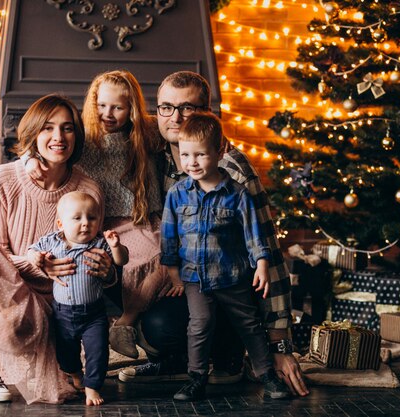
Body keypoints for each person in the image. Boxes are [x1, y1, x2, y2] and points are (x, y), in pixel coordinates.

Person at [119, 71, 309, 397]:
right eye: (166, 107)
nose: (175, 118)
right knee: (156, 324)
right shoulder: (158, 152)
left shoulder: (232, 170)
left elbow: (267, 249)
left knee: (197, 322)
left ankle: (230, 356)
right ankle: (186, 364)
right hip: (191, 278)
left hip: (231, 281)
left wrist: (281, 343)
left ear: (207, 114)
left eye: (187, 109)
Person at [0, 94, 113, 404]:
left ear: (76, 136)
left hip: (62, 302)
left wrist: (108, 270)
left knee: (13, 327)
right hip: (10, 288)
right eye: (47, 128)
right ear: (32, 134)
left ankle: (64, 361)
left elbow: (93, 252)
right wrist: (35, 262)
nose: (58, 137)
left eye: (67, 128)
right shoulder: (3, 179)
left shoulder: (88, 190)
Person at [24, 70, 167, 359]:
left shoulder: (145, 134)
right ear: (93, 104)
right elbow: (48, 147)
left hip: (143, 218)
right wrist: (29, 160)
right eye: (102, 105)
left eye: (118, 107)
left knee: (169, 253)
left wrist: (219, 143)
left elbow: (183, 130)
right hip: (104, 223)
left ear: (133, 109)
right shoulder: (84, 139)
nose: (108, 113)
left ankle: (126, 321)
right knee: (144, 256)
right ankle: (127, 321)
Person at [161, 112, 291, 401]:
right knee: (200, 324)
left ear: (220, 152)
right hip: (195, 277)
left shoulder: (238, 194)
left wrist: (261, 264)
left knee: (249, 324)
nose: (191, 162)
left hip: (233, 275)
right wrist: (171, 269)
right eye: (185, 155)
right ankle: (196, 377)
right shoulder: (178, 194)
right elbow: (169, 234)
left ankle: (266, 375)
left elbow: (253, 234)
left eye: (200, 155)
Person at [27, 191, 129, 406]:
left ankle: (92, 387)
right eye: (77, 218)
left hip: (94, 314)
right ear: (60, 223)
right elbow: (31, 250)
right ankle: (75, 375)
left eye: (92, 218)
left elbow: (121, 261)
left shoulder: (100, 244)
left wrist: (116, 246)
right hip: (63, 312)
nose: (86, 224)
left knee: (98, 351)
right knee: (65, 353)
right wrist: (34, 257)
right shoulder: (52, 241)